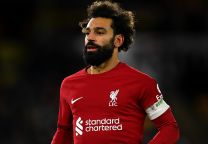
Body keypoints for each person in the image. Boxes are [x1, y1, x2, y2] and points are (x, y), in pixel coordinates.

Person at [51, 1, 180, 144]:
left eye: (99, 32)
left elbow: (169, 127)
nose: (90, 38)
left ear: (118, 40)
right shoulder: (69, 84)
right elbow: (63, 131)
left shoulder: (142, 83)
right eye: (87, 33)